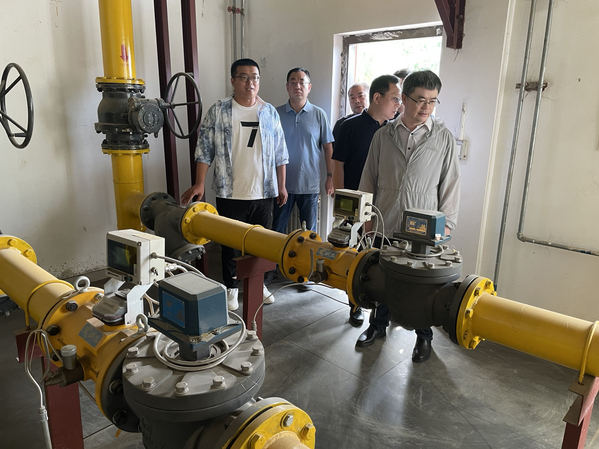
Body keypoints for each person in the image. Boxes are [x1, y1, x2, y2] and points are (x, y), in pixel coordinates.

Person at [356, 70, 460, 364]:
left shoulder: (443, 138)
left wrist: (448, 223)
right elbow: (369, 177)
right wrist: (366, 217)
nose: (426, 107)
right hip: (386, 220)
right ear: (404, 98)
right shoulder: (383, 136)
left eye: (432, 101)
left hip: (423, 229)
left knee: (422, 286)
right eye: (420, 100)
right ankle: (377, 326)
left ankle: (423, 337)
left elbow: (451, 183)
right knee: (381, 278)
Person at [181, 58, 288, 311]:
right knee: (229, 243)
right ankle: (230, 286)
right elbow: (204, 149)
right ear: (233, 80)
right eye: (244, 77)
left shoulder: (269, 112)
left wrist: (282, 186)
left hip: (263, 191)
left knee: (262, 242)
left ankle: (258, 284)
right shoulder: (218, 111)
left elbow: (280, 153)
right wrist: (199, 183)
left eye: (255, 77)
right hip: (230, 192)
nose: (251, 82)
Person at [332, 74, 401, 327]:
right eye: (395, 99)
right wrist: (341, 201)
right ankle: (355, 305)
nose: (398, 104)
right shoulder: (350, 126)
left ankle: (381, 313)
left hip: (385, 206)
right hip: (355, 204)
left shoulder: (394, 131)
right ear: (377, 98)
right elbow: (338, 164)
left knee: (382, 259)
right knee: (356, 257)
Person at [274, 68, 335, 235]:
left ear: (309, 87)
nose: (297, 86)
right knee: (276, 231)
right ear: (287, 87)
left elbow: (328, 148)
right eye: (293, 82)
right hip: (281, 185)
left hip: (310, 185)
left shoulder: (319, 114)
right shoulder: (276, 114)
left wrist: (330, 177)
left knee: (309, 235)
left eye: (302, 82)